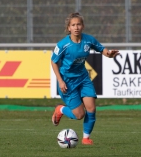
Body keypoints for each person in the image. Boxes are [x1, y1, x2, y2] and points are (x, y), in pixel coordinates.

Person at [51, 12, 119, 145]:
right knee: (79, 115)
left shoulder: (88, 40)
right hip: (68, 82)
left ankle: (86, 138)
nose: (76, 27)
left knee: (91, 108)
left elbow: (102, 49)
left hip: (83, 78)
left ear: (83, 26)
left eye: (78, 24)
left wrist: (109, 54)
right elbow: (53, 62)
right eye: (73, 25)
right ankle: (60, 109)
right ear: (68, 28)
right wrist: (60, 80)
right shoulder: (62, 45)